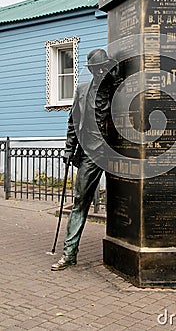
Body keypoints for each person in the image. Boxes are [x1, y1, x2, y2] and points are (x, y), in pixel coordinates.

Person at [51, 48, 117, 271]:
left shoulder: (118, 89)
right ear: (92, 70)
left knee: (121, 202)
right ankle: (69, 253)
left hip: (115, 154)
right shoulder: (81, 90)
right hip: (90, 153)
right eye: (98, 68)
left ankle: (121, 250)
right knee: (80, 201)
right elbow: (73, 123)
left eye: (104, 67)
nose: (101, 71)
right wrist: (69, 149)